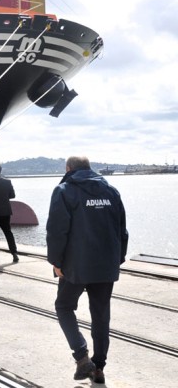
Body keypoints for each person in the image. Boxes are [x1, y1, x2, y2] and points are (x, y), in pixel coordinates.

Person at [46, 156, 128, 384]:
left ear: (68, 168)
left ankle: (82, 357)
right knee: (101, 316)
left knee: (63, 306)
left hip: (76, 265)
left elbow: (56, 231)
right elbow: (122, 229)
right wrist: (117, 259)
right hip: (105, 265)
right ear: (89, 168)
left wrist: (56, 261)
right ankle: (99, 367)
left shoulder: (64, 190)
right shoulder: (112, 191)